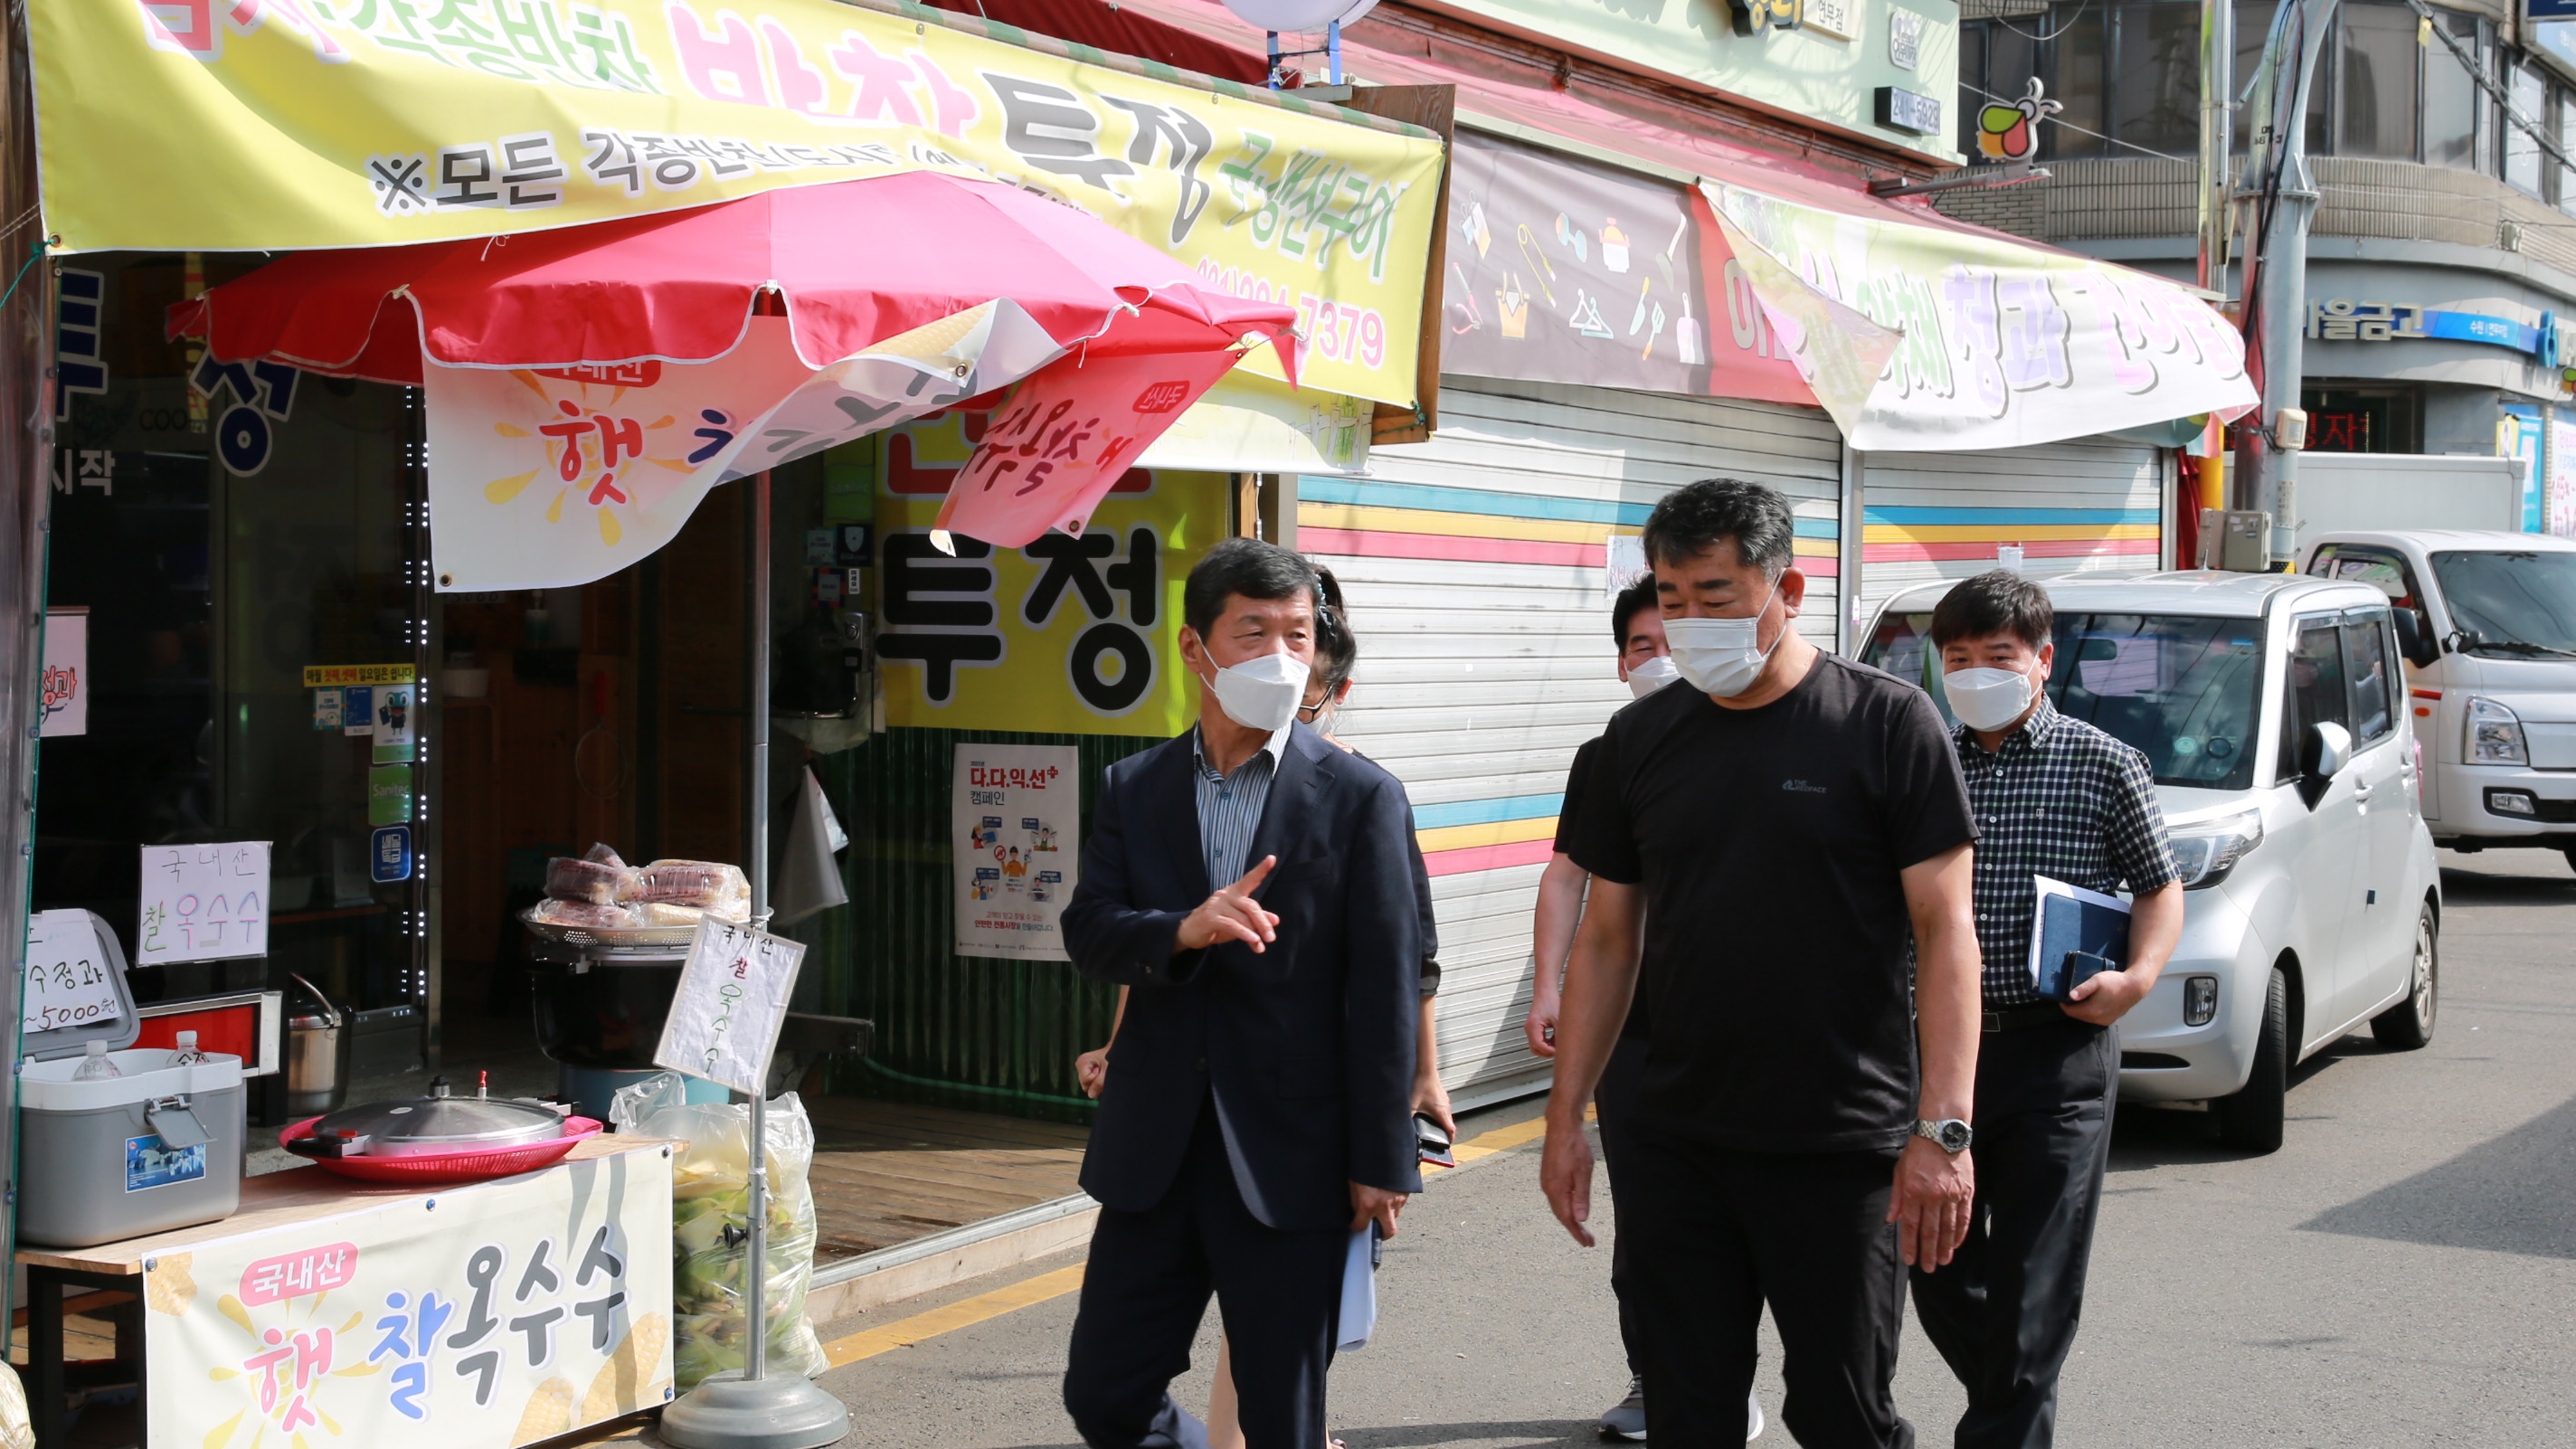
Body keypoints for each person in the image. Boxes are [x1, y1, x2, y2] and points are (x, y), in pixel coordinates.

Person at [1540, 478, 1984, 1448]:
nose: (1689, 621)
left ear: (1787, 587)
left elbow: (1947, 931)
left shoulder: (1884, 724)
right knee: (1687, 1412)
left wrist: (1942, 1132)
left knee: (1842, 1414)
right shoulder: (1638, 740)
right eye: (1671, 597)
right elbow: (1609, 938)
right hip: (1674, 1141)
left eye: (1716, 596)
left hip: (1840, 1146)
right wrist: (1565, 1114)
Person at [1060, 537, 1424, 1449]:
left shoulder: (1360, 797)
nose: (1280, 658)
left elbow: (1384, 983)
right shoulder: (1134, 789)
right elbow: (1088, 930)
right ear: (1195, 650)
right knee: (1103, 1395)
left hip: (1293, 1156)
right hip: (1155, 1153)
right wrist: (1179, 931)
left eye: (1297, 636)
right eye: (1253, 633)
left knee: (1279, 1416)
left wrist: (1384, 1156)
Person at [1912, 570, 2183, 1449]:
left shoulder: (2105, 763)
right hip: (1942, 1056)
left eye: (1997, 656)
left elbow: (2158, 888)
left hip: (2055, 1052)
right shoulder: (1925, 764)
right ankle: (2011, 1393)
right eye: (1957, 658)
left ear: (2041, 661)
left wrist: (2137, 979)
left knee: (2035, 1287)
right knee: (1932, 1262)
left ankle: (2002, 1423)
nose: (1975, 673)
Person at [1528, 575, 1776, 1443]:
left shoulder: (1767, 738)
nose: (1658, 657)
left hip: (1748, 1037)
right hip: (1635, 1035)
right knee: (1650, 1227)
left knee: (1759, 1225)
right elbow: (1567, 876)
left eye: (1672, 637)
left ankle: (1737, 1377)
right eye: (1641, 645)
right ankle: (1663, 1377)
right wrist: (1550, 984)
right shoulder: (1612, 755)